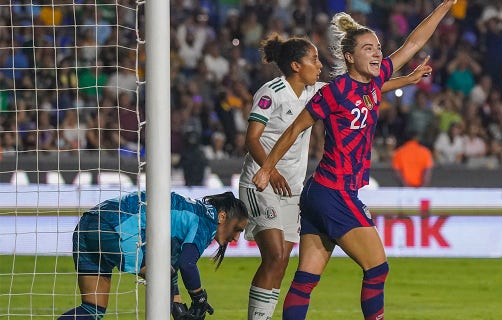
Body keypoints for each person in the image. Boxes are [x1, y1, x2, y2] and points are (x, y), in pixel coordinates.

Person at [252, 2, 456, 319]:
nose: (377, 54)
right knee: (377, 268)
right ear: (349, 57)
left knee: (305, 280)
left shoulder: (374, 82)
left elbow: (413, 43)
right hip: (334, 192)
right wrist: (266, 169)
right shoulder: (334, 93)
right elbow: (295, 129)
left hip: (321, 193)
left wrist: (444, 8)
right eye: (367, 49)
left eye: (377, 48)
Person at [58, 191, 249, 320]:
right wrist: (198, 297)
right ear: (222, 216)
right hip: (115, 228)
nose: (235, 238)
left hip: (89, 224)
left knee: (92, 310)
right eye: (237, 229)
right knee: (160, 279)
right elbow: (187, 264)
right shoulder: (206, 221)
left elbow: (171, 268)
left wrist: (178, 307)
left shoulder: (191, 213)